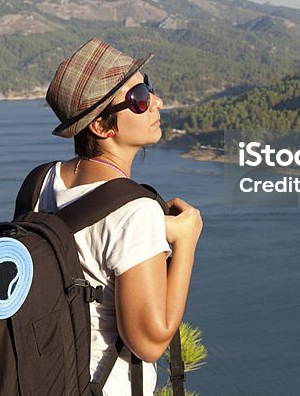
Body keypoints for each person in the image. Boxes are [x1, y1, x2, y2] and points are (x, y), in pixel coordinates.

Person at [38, 38, 202, 395]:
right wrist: (186, 241)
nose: (156, 101)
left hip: (45, 378)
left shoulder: (41, 182)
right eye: (139, 98)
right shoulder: (135, 211)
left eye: (150, 87)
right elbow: (151, 342)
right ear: (100, 127)